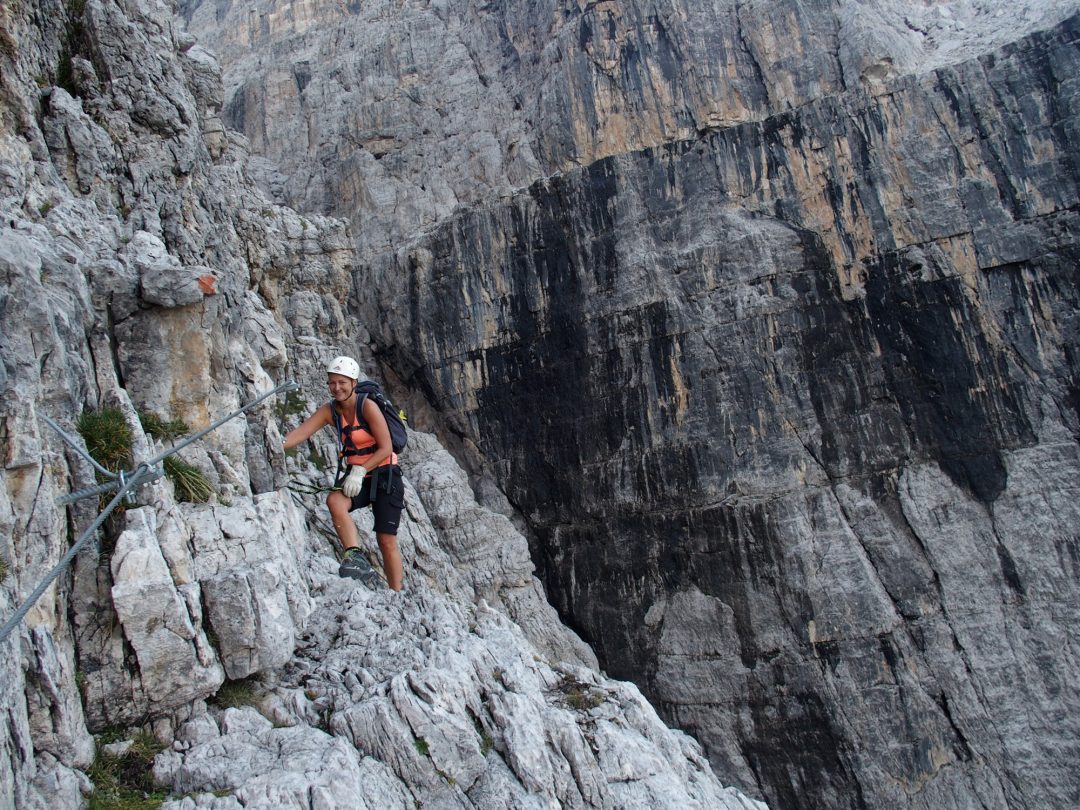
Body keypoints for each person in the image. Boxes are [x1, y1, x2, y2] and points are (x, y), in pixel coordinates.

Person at [283, 356, 405, 590]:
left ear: (353, 382)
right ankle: (354, 556)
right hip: (358, 475)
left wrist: (360, 471)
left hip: (384, 474)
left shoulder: (367, 406)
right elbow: (301, 433)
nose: (336, 388)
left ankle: (397, 593)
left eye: (342, 382)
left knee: (386, 539)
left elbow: (386, 447)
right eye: (332, 383)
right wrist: (276, 443)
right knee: (335, 500)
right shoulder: (331, 411)